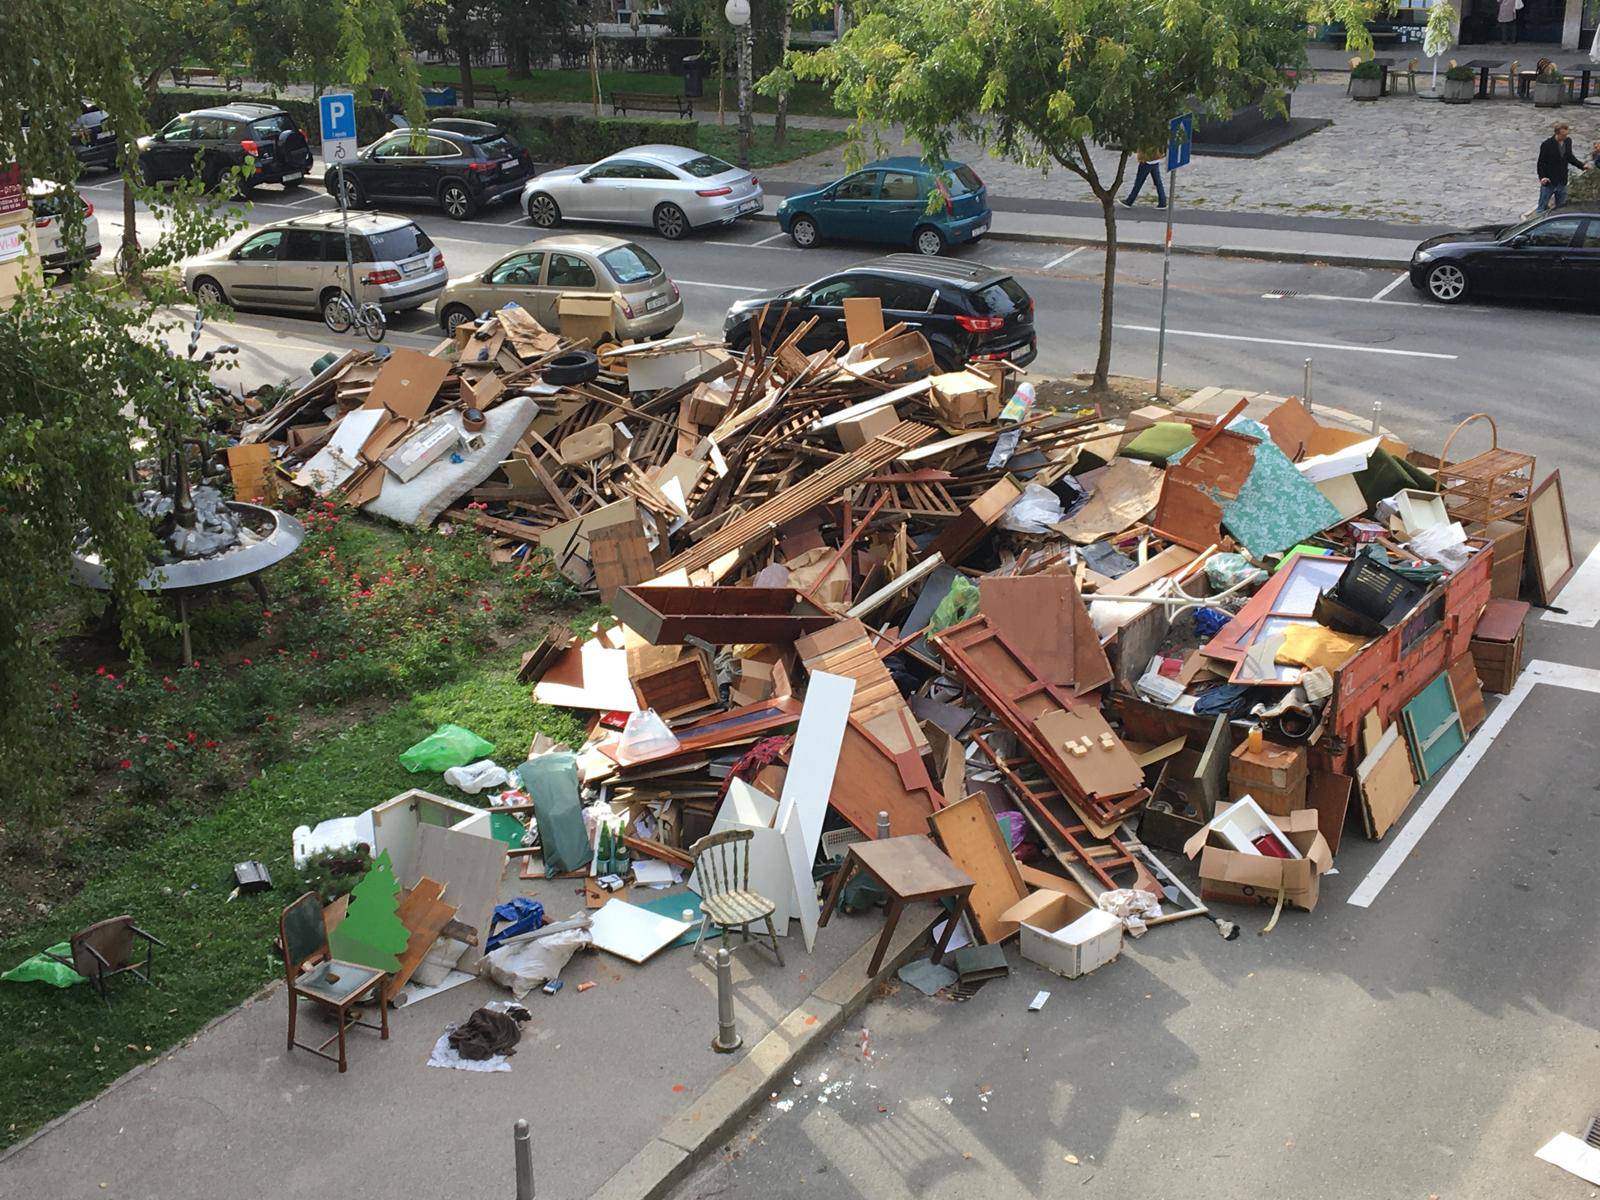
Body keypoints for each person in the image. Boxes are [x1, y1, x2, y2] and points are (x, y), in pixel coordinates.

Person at [1536, 122, 1589, 212]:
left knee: (1561, 208)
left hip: (1562, 179)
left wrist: (1582, 165)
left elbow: (1569, 157)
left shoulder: (1568, 141)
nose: (1565, 137)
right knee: (1542, 207)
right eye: (1563, 135)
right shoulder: (1547, 144)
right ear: (1557, 133)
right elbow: (1541, 162)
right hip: (1549, 180)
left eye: (1566, 134)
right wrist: (1542, 177)